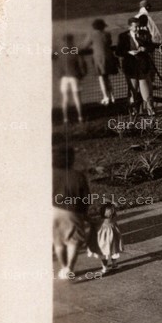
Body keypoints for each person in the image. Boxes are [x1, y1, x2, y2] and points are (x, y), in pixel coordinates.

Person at [52, 148, 89, 281]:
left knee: (58, 241)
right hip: (72, 211)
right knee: (73, 240)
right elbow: (85, 197)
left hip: (52, 211)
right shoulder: (78, 176)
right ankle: (69, 268)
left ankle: (63, 266)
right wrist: (84, 213)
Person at [118, 16, 157, 116]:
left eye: (138, 26)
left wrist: (145, 49)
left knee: (146, 90)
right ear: (129, 27)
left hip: (142, 66)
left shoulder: (144, 34)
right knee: (133, 90)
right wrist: (128, 52)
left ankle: (150, 110)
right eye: (135, 27)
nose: (137, 29)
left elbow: (151, 47)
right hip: (130, 66)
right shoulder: (123, 36)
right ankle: (133, 111)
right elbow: (118, 52)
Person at [84, 18, 117, 106]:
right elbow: (109, 43)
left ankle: (106, 97)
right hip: (109, 58)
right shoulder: (107, 34)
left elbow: (85, 46)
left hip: (99, 59)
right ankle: (112, 97)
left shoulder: (92, 34)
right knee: (107, 78)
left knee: (101, 79)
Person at [55, 34, 85, 124]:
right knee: (77, 98)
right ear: (71, 40)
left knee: (65, 99)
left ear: (63, 41)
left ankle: (65, 119)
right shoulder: (75, 50)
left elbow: (56, 61)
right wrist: (82, 74)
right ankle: (80, 117)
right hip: (74, 76)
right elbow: (81, 63)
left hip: (64, 77)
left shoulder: (60, 51)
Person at [92, 203, 122, 276]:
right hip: (113, 238)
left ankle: (105, 267)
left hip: (103, 239)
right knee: (113, 251)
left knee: (104, 253)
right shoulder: (113, 219)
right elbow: (116, 206)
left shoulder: (99, 220)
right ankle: (114, 264)